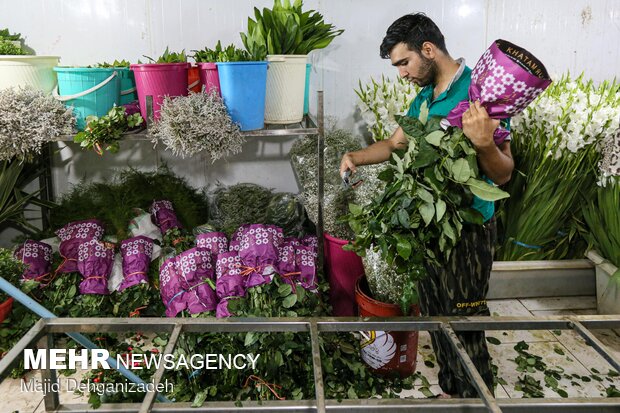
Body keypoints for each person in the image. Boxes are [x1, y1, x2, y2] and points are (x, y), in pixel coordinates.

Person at [340, 13, 515, 398]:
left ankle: (475, 395)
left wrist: (484, 143)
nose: (402, 73)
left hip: (467, 232)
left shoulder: (479, 91)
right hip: (430, 228)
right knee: (437, 316)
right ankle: (453, 389)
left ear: (429, 50)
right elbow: (394, 145)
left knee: (464, 321)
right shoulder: (424, 99)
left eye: (404, 62)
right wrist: (355, 155)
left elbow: (503, 174)